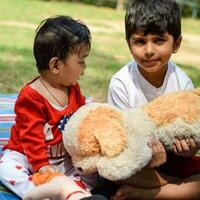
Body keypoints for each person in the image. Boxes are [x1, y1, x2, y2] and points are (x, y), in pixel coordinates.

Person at [0, 15, 107, 200]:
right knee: (6, 168)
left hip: (62, 157)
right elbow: (31, 136)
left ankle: (73, 192)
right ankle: (37, 193)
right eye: (81, 61)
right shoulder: (31, 96)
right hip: (28, 155)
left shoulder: (72, 88)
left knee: (92, 171)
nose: (85, 67)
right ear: (56, 65)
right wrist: (42, 166)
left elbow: (82, 119)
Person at [107, 0, 200, 199]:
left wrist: (188, 150)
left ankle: (149, 195)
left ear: (176, 44)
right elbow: (120, 140)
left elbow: (191, 133)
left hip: (173, 161)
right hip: (137, 164)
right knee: (112, 168)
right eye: (140, 41)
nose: (149, 50)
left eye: (159, 40)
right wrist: (147, 154)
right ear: (129, 43)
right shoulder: (121, 82)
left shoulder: (183, 83)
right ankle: (176, 191)